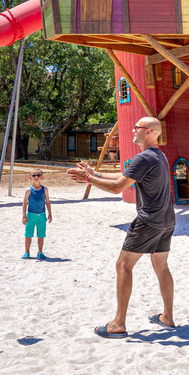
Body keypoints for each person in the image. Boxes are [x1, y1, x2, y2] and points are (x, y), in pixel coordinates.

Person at [68, 115, 176, 338]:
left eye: (136, 127)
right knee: (162, 267)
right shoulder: (159, 155)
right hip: (166, 221)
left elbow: (118, 187)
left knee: (123, 266)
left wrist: (88, 180)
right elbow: (126, 176)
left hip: (148, 221)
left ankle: (118, 323)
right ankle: (167, 317)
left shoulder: (144, 157)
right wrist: (93, 173)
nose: (132, 130)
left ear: (147, 132)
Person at [22, 169, 52, 259]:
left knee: (41, 235)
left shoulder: (45, 189)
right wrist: (24, 216)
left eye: (38, 175)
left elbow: (47, 202)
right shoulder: (28, 190)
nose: (36, 177)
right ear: (30, 177)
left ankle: (40, 252)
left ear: (42, 177)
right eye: (34, 175)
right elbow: (24, 204)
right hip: (30, 215)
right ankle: (27, 252)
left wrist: (50, 213)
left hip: (42, 215)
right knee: (28, 235)